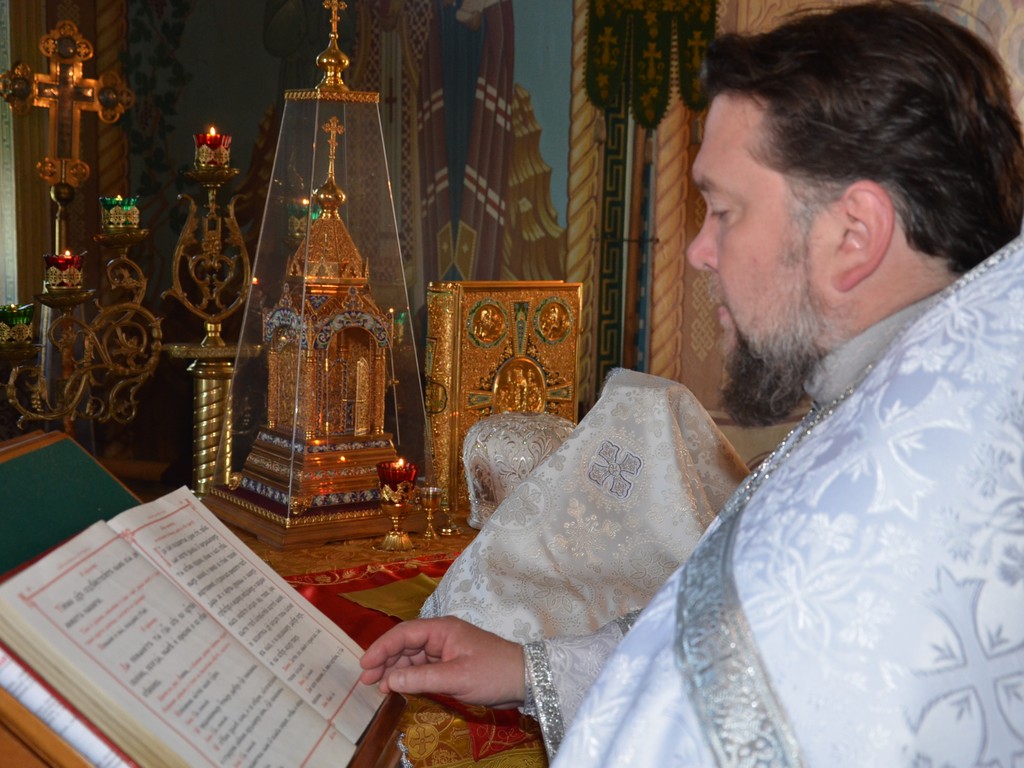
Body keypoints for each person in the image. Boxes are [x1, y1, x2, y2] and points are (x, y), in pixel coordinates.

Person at [360, 3, 1024, 765]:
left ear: (855, 236)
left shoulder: (902, 494)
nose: (699, 250)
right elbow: (721, 665)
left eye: (724, 211)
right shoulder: (910, 415)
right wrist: (529, 668)